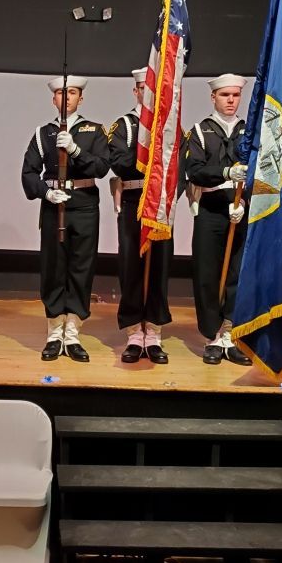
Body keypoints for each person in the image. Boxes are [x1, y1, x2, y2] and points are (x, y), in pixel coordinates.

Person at [21, 75, 110, 362]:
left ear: (80, 99)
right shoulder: (42, 133)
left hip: (84, 207)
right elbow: (28, 173)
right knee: (53, 268)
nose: (66, 97)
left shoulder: (94, 131)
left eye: (71, 92)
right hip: (53, 207)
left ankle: (72, 333)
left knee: (81, 268)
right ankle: (53, 333)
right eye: (61, 93)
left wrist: (75, 150)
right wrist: (46, 193)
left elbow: (102, 167)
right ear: (53, 99)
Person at [185, 73, 252, 366]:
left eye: (235, 95)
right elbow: (194, 170)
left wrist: (245, 201)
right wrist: (225, 172)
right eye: (225, 95)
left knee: (237, 272)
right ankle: (212, 337)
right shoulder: (200, 131)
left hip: (240, 208)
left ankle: (229, 334)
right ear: (213, 97)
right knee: (207, 273)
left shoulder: (249, 132)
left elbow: (262, 171)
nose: (230, 100)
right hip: (211, 208)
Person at [108, 67, 172, 364]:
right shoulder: (123, 125)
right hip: (134, 201)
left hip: (160, 204)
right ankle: (134, 332)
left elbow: (179, 166)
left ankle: (154, 333)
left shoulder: (168, 126)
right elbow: (119, 162)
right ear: (136, 91)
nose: (148, 94)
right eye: (143, 89)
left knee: (159, 267)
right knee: (131, 266)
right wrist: (148, 154)